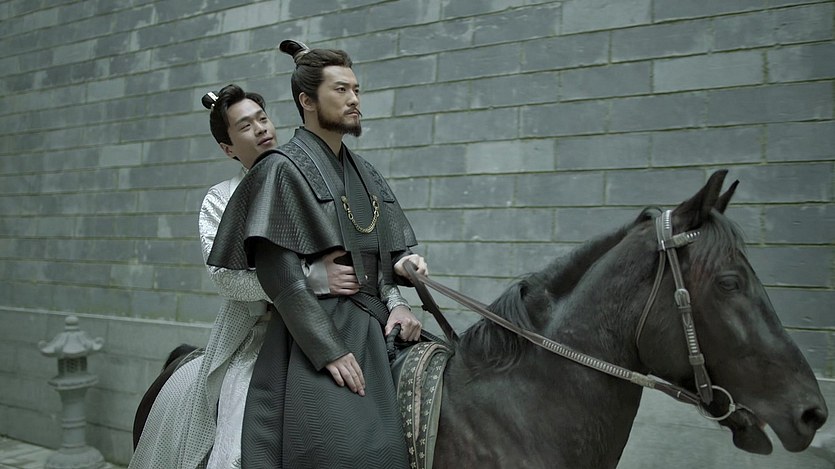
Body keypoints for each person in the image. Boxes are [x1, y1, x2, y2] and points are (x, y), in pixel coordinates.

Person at [130, 84, 421, 468]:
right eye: (245, 126)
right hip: (260, 329)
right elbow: (226, 278)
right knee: (238, 438)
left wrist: (398, 300)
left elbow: (369, 254)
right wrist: (311, 278)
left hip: (346, 320)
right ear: (228, 148)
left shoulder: (313, 179)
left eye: (263, 119)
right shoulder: (220, 198)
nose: (261, 129)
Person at [206, 40, 426, 468]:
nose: (354, 99)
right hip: (313, 329)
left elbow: (387, 251)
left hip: (375, 319)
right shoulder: (280, 168)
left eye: (356, 90)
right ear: (307, 101)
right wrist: (329, 350)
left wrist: (402, 281)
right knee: (349, 450)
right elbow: (279, 275)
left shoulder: (366, 172)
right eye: (341, 90)